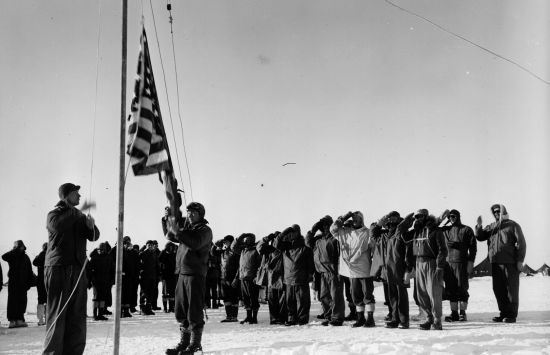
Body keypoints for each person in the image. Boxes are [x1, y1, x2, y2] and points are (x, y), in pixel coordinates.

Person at [43, 183, 99, 355]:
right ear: (66, 196)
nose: (80, 197)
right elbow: (58, 226)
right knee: (58, 315)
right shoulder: (54, 214)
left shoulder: (78, 215)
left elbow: (94, 236)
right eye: (76, 193)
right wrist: (78, 211)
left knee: (77, 317)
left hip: (78, 270)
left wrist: (91, 226)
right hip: (59, 268)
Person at [165, 202, 213, 355]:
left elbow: (195, 243)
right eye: (189, 212)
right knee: (181, 310)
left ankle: (195, 344)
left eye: (193, 212)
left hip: (195, 274)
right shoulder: (188, 230)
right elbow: (170, 235)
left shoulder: (204, 230)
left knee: (194, 311)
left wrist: (179, 231)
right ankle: (184, 343)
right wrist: (167, 220)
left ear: (200, 215)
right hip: (183, 273)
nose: (190, 215)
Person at [476, 204, 526, 323]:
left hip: (510, 263)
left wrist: (519, 261)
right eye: (495, 212)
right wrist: (479, 226)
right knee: (498, 289)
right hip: (495, 263)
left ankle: (511, 315)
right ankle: (503, 313)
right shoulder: (492, 227)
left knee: (511, 289)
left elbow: (521, 244)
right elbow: (480, 237)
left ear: (503, 211)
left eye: (499, 211)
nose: (497, 214)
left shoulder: (513, 225)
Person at [330, 211, 376, 328]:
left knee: (368, 295)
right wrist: (343, 218)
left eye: (357, 217)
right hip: (351, 271)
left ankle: (370, 319)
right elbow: (333, 230)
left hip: (365, 270)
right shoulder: (345, 232)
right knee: (356, 296)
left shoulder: (366, 233)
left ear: (362, 219)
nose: (355, 219)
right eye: (353, 218)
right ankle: (360, 318)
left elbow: (371, 246)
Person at [373, 211, 415, 329]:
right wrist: (380, 223)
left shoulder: (402, 234)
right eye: (390, 218)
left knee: (401, 297)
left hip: (399, 270)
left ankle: (404, 321)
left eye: (394, 218)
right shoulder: (384, 235)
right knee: (392, 297)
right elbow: (373, 233)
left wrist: (408, 270)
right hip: (388, 271)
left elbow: (409, 254)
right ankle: (394, 319)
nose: (391, 221)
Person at [410, 209, 447, 330]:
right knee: (421, 293)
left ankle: (437, 320)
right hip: (419, 263)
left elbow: (443, 250)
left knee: (434, 293)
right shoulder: (417, 231)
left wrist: (440, 266)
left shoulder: (435, 231)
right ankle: (428, 318)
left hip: (431, 263)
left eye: (420, 216)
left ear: (426, 217)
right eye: (417, 217)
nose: (418, 218)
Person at [306, 215, 345, 326]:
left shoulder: (336, 238)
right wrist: (313, 229)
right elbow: (308, 242)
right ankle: (328, 316)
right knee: (324, 296)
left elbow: (340, 254)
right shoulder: (319, 239)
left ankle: (337, 317)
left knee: (336, 295)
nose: (325, 228)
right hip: (322, 272)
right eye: (323, 226)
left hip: (334, 271)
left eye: (328, 225)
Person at [439, 209, 477, 322]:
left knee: (462, 289)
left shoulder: (466, 229)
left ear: (459, 216)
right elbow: (434, 228)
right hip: (448, 264)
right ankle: (454, 313)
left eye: (454, 216)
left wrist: (470, 263)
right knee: (450, 290)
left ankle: (462, 313)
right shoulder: (444, 230)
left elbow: (473, 249)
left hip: (461, 263)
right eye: (450, 216)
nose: (452, 218)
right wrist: (443, 219)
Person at [273, 224, 314, 326]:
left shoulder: (305, 247)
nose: (291, 235)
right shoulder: (285, 246)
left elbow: (310, 263)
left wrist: (310, 275)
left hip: (301, 278)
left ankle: (302, 319)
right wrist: (283, 233)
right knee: (289, 301)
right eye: (290, 233)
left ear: (298, 233)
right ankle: (291, 318)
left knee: (303, 301)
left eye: (294, 232)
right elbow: (275, 244)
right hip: (288, 279)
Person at [2, 240, 34, 328]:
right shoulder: (19, 256)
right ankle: (15, 321)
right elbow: (3, 256)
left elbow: (29, 271)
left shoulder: (21, 257)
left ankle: (16, 321)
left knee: (17, 301)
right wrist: (15, 250)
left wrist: (29, 284)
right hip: (18, 283)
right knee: (17, 301)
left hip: (18, 283)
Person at [257, 232, 287, 325]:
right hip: (270, 278)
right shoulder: (268, 249)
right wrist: (266, 239)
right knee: (272, 300)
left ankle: (282, 318)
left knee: (282, 300)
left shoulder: (283, 249)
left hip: (280, 277)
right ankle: (274, 318)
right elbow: (259, 247)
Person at [232, 233, 262, 324]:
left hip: (252, 278)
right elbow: (234, 247)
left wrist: (257, 277)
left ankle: (254, 317)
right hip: (243, 278)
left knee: (253, 298)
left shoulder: (256, 251)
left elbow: (259, 266)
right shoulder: (243, 250)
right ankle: (248, 316)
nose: (245, 241)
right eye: (245, 240)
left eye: (247, 239)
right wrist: (241, 236)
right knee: (246, 299)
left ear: (252, 241)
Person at [212, 235, 240, 322]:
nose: (224, 243)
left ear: (231, 242)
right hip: (224, 278)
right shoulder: (223, 252)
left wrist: (236, 278)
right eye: (224, 242)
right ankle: (229, 316)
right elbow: (213, 252)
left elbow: (240, 267)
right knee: (226, 298)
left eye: (226, 242)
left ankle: (234, 317)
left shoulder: (236, 252)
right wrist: (217, 244)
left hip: (232, 278)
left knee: (234, 298)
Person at [89, 242, 114, 321]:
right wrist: (91, 280)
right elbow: (89, 271)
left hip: (105, 281)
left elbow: (112, 270)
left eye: (102, 250)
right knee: (96, 298)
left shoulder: (108, 258)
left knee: (103, 298)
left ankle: (100, 314)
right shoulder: (94, 258)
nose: (100, 251)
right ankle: (94, 314)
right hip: (96, 281)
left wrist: (111, 280)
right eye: (99, 250)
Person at [139, 240, 160, 315]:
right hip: (145, 277)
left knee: (151, 293)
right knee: (144, 293)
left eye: (151, 245)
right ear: (146, 246)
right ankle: (143, 309)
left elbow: (157, 265)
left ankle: (148, 308)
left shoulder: (154, 254)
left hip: (153, 276)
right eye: (149, 245)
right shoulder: (142, 254)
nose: (150, 246)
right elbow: (139, 264)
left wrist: (158, 275)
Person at [159, 242, 177, 313]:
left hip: (173, 276)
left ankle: (171, 307)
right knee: (165, 293)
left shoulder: (174, 254)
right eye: (169, 247)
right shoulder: (164, 254)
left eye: (172, 247)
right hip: (165, 277)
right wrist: (164, 250)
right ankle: (165, 308)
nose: (171, 249)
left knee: (172, 293)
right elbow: (160, 259)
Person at [33, 242, 48, 326]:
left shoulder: (41, 255)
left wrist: (37, 256)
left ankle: (40, 320)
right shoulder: (51, 254)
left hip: (40, 281)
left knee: (41, 300)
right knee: (49, 300)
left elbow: (34, 262)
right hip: (49, 280)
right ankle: (48, 318)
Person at [205, 242, 221, 309]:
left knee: (214, 291)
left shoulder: (215, 254)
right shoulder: (205, 253)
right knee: (207, 290)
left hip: (214, 274)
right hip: (207, 274)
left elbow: (219, 263)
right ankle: (207, 304)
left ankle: (214, 304)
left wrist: (214, 265)